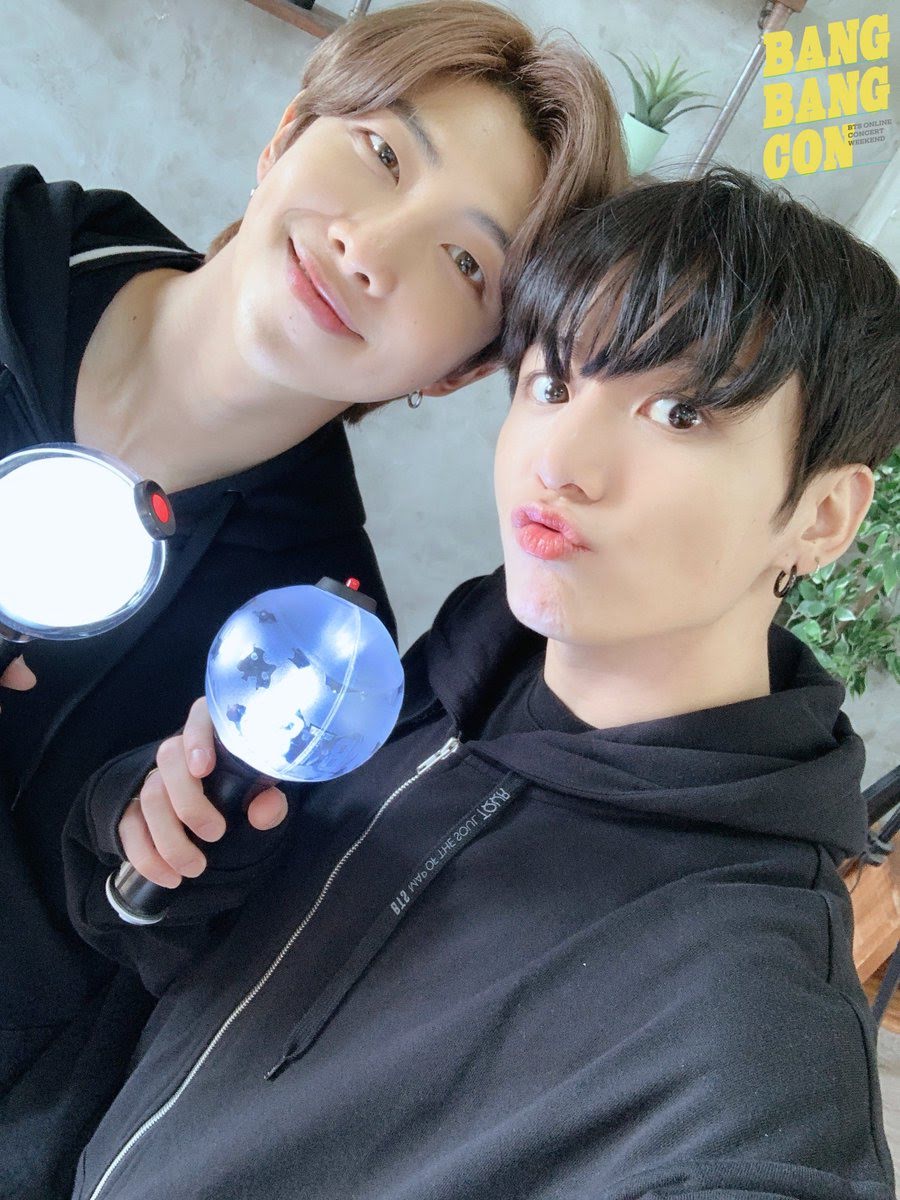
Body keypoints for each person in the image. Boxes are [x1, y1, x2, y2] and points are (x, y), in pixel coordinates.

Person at [63, 167, 898, 1198]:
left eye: (680, 413)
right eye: (553, 384)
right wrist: (169, 844)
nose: (562, 460)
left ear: (823, 515)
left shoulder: (753, 1025)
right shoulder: (441, 679)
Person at [0, 3, 627, 1195]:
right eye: (383, 154)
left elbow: (146, 980)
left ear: (460, 370)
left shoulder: (308, 651)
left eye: (466, 262)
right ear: (287, 132)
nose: (370, 249)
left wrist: (159, 859)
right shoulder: (16, 242)